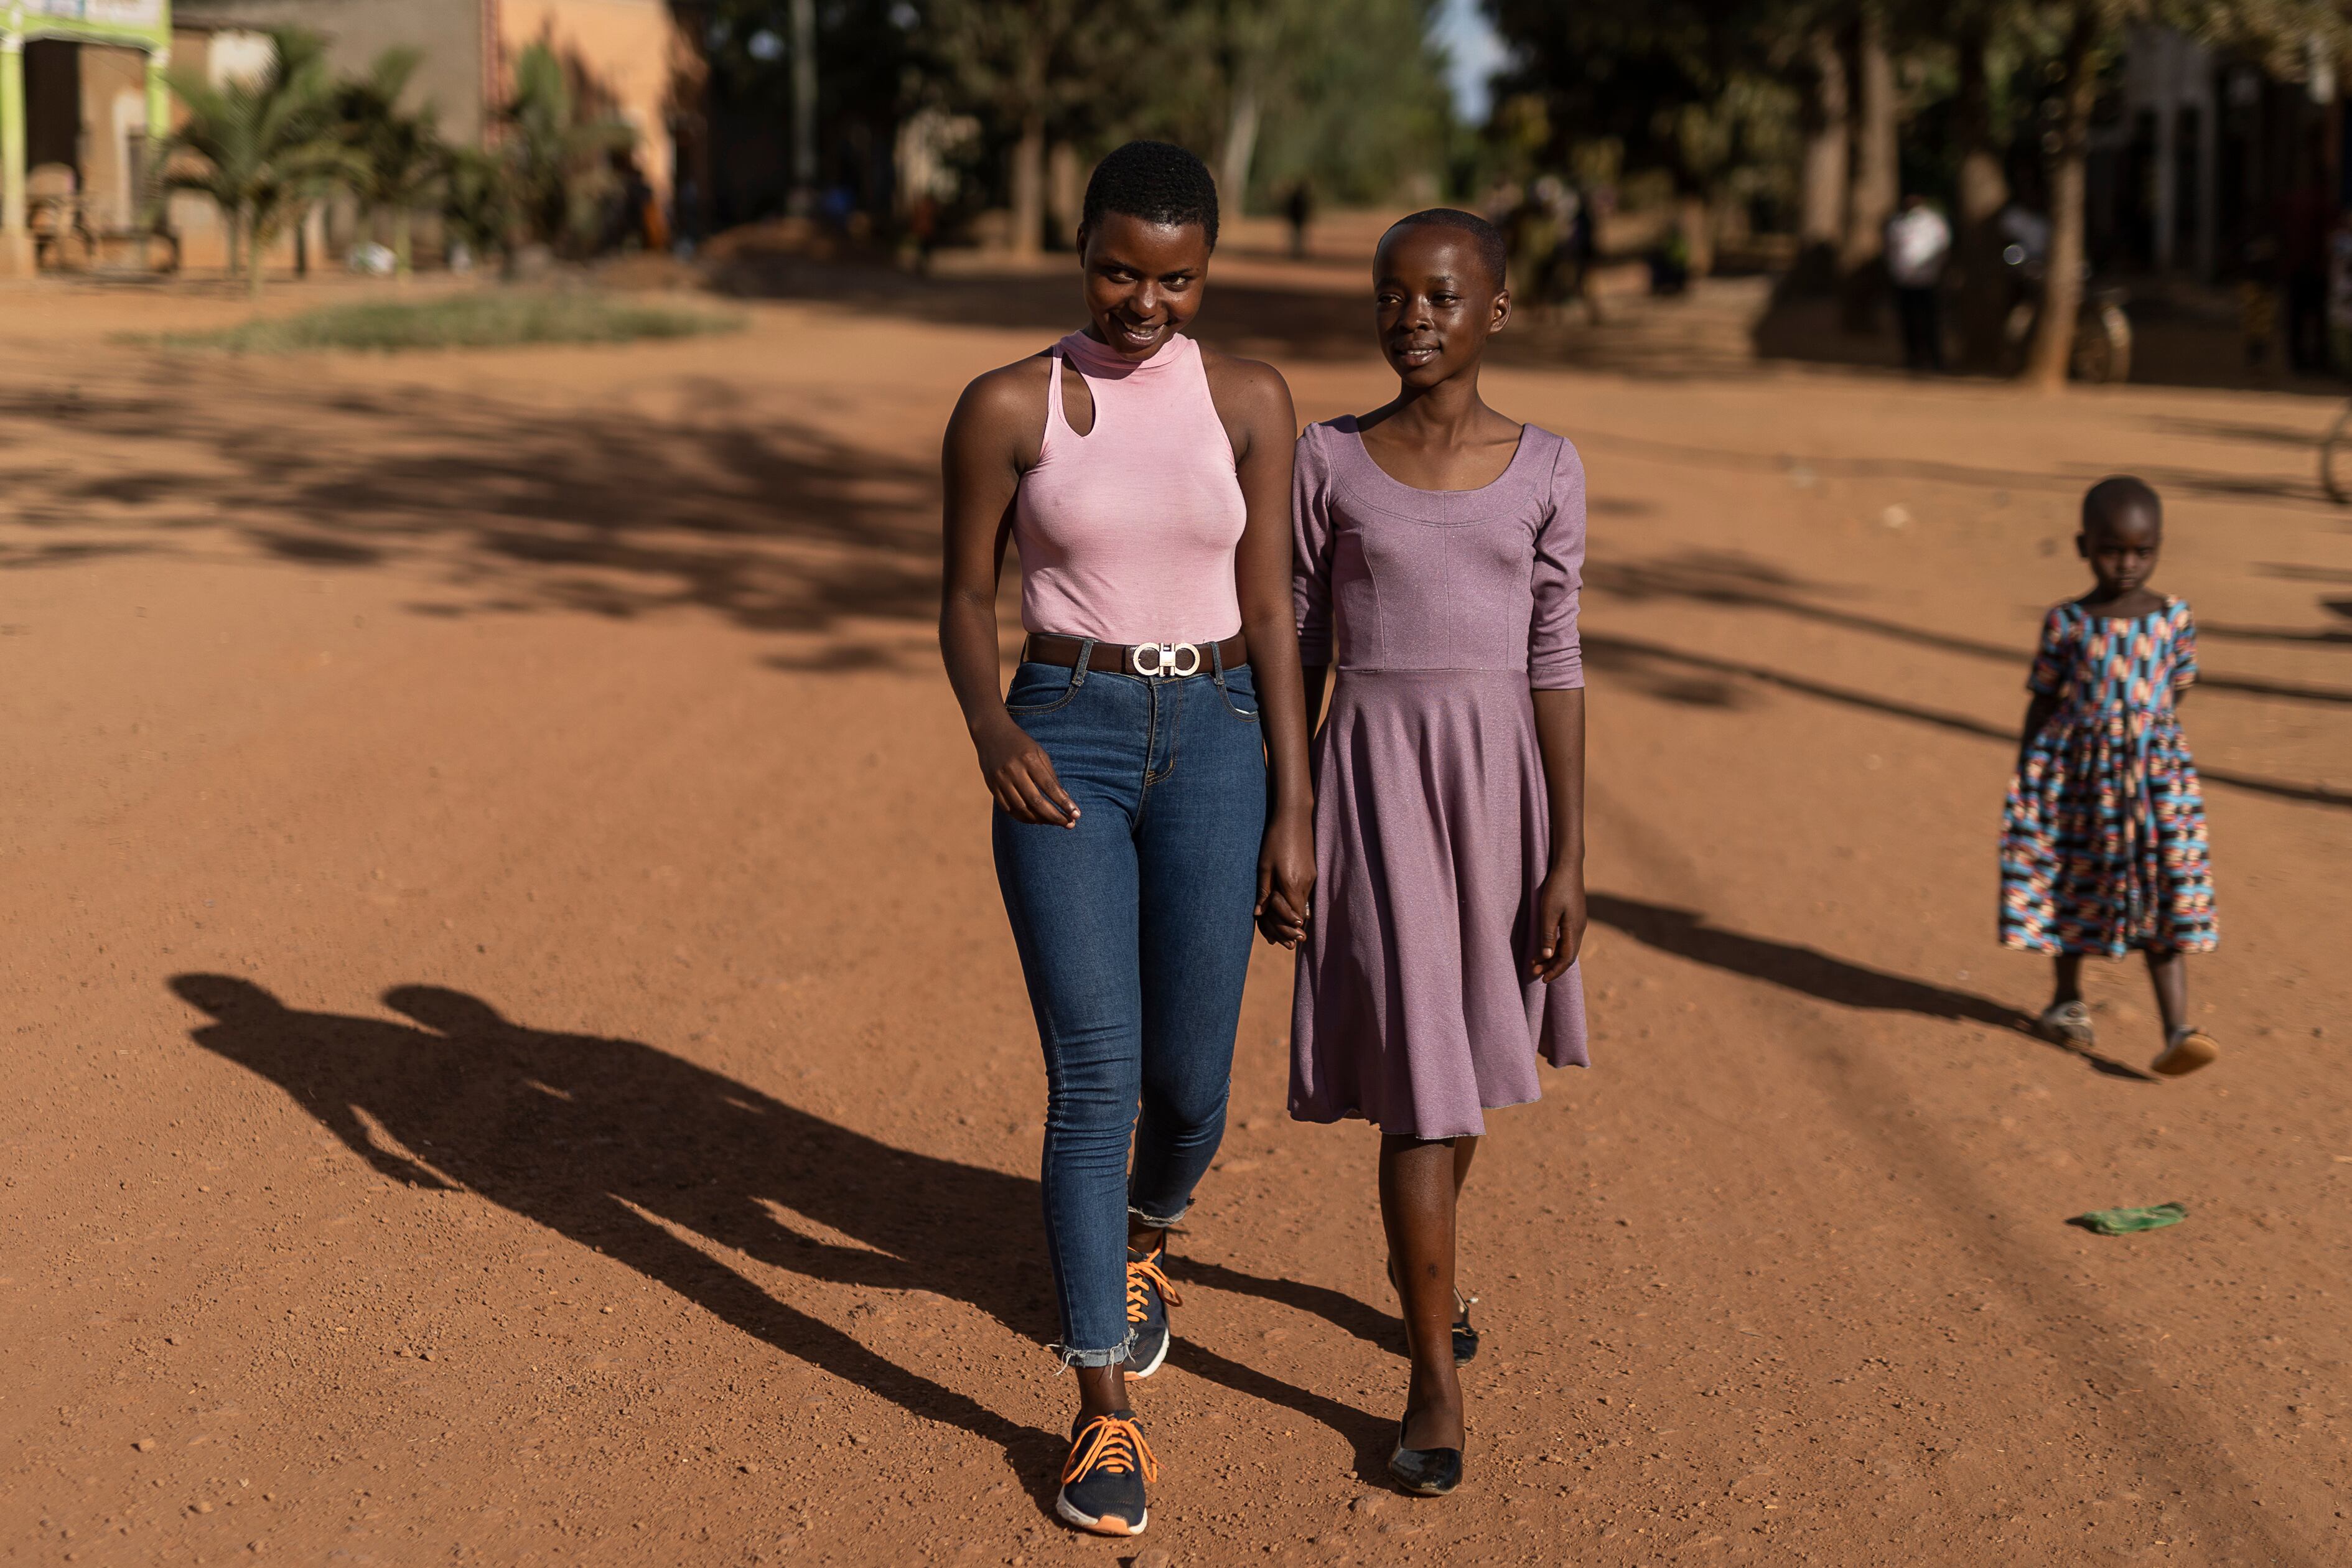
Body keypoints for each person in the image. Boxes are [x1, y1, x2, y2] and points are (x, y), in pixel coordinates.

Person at [936, 139, 1315, 1538]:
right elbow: (962, 603)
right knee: (1096, 1074)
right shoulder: (1004, 405)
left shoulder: (1255, 401)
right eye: (1116, 269)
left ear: (1206, 271)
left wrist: (1299, 800)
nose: (1143, 303)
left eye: (1176, 277)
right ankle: (1101, 1412)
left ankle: (1151, 1236)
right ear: (1077, 248)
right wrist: (994, 730)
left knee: (1196, 1089)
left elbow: (1276, 612)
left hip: (1218, 729)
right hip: (1068, 738)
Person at [1289, 209, 1590, 1497]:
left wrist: (1569, 852)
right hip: (1374, 786)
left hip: (1501, 798)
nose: (1413, 316)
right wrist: (1286, 816)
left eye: (1442, 295)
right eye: (1392, 295)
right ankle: (1432, 1378)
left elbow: (1557, 659)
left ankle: (1430, 1275)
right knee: (1421, 1082)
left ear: (1496, 312)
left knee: (1467, 1055)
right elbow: (1296, 647)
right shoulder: (1328, 460)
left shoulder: (1549, 468)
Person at [2000, 477, 2218, 1076]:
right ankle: (2065, 1002)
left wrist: (2141, 746)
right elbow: (2043, 701)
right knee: (2076, 886)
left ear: (2160, 547)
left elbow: (2175, 689)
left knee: (2164, 896)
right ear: (2083, 546)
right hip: (2080, 786)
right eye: (2111, 550)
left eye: (2142, 552)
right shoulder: (2067, 622)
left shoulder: (2174, 617)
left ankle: (2177, 1028)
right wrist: (2028, 778)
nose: (2127, 564)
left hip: (2155, 791)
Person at [1885, 193, 1951, 372]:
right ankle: (1912, 357)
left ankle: (1935, 357)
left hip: (1927, 279)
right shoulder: (1897, 223)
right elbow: (1892, 249)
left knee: (1930, 320)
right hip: (1903, 280)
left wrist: (1937, 271)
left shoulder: (1933, 222)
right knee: (1907, 320)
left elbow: (1943, 248)